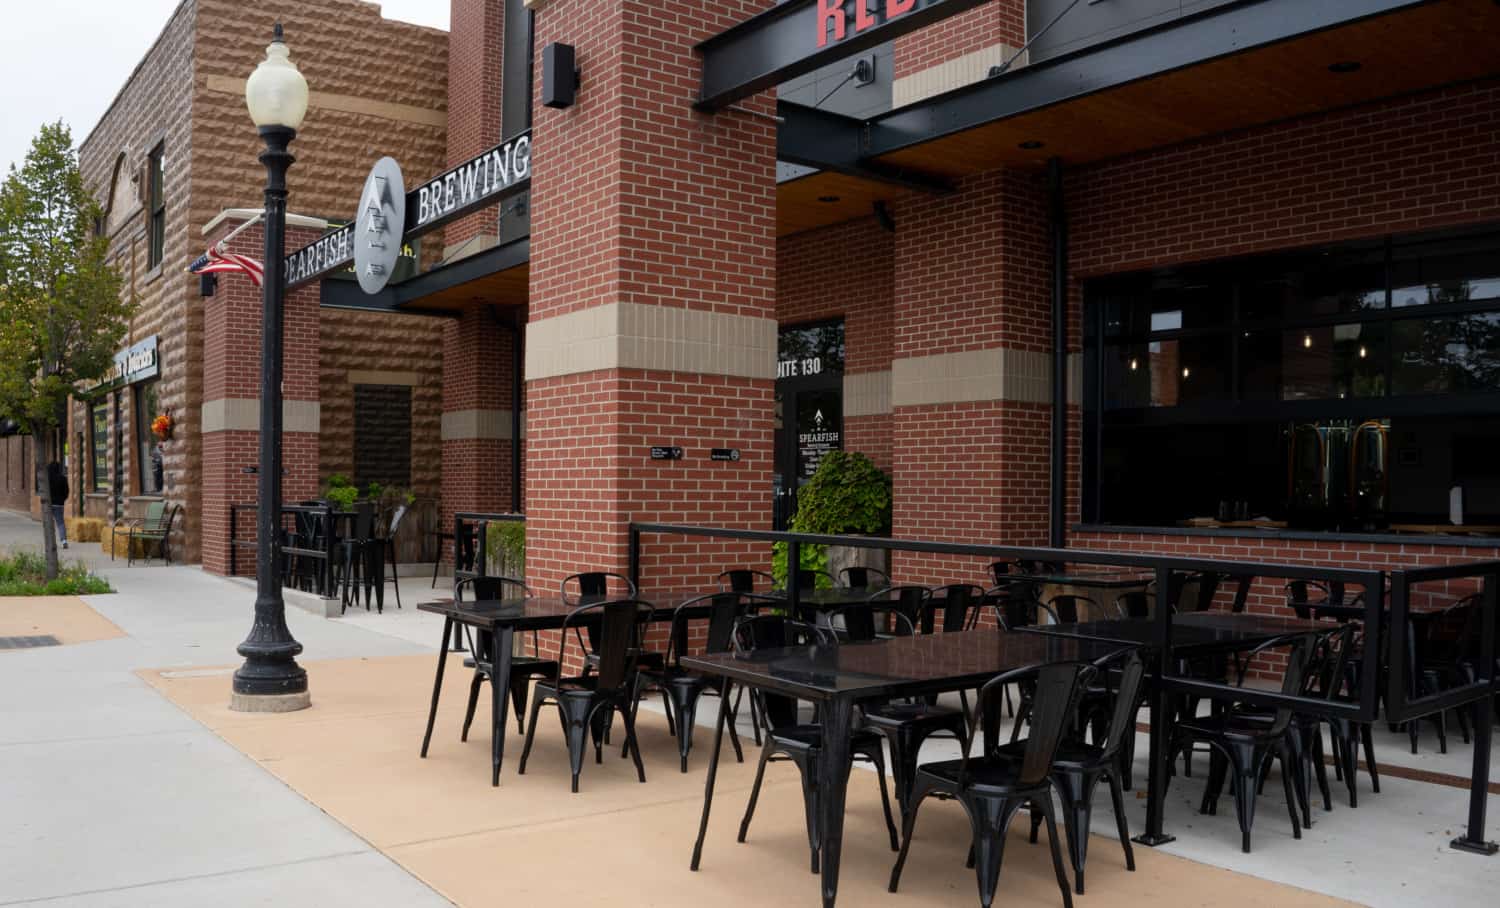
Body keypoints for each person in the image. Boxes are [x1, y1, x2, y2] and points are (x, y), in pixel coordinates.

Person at [46, 460, 68, 550]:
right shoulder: (63, 478)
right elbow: (66, 491)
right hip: (59, 504)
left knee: (48, 523)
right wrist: (62, 499)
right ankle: (64, 541)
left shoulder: (47, 479)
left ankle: (50, 542)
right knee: (60, 523)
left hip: (48, 504)